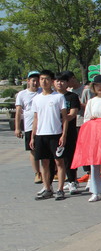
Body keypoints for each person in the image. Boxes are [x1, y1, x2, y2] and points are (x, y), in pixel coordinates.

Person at [30, 70, 69, 200]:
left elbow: (65, 118)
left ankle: (60, 189)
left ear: (52, 81)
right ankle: (47, 188)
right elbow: (36, 118)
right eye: (41, 79)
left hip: (55, 134)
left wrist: (63, 135)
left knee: (59, 162)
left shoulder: (58, 97)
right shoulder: (36, 99)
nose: (43, 81)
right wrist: (33, 136)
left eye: (46, 79)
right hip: (41, 135)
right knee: (44, 162)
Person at [54, 72, 82, 195]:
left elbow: (73, 114)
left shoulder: (72, 96)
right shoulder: (51, 97)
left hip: (69, 131)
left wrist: (60, 120)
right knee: (56, 158)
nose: (59, 83)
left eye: (62, 81)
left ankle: (72, 181)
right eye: (57, 81)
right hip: (53, 131)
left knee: (69, 157)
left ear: (67, 83)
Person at [15, 70, 41, 184]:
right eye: (33, 80)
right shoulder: (22, 94)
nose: (35, 83)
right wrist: (17, 128)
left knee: (46, 151)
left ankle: (51, 172)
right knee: (33, 150)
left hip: (43, 126)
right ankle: (37, 173)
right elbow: (18, 112)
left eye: (37, 80)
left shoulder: (43, 92)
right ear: (28, 81)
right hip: (29, 126)